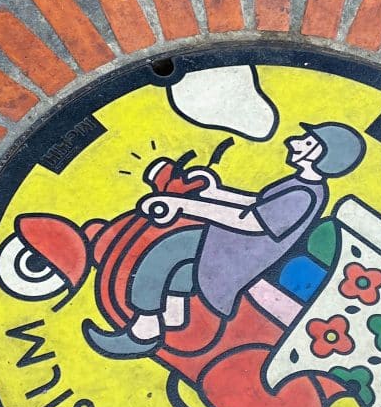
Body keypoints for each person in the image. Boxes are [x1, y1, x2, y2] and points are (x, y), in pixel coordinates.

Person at [84, 122, 365, 359]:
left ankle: (143, 334)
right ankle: (172, 315)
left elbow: (249, 221)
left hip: (232, 252)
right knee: (182, 266)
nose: (295, 142)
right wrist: (214, 192)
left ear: (320, 154)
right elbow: (256, 204)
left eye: (307, 141)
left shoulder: (302, 195)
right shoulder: (303, 186)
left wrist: (183, 205)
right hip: (229, 246)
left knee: (164, 253)